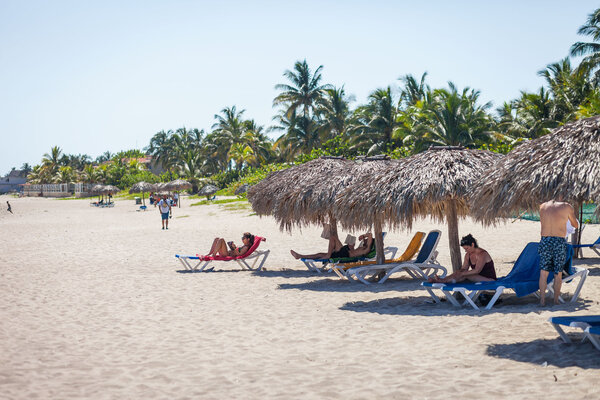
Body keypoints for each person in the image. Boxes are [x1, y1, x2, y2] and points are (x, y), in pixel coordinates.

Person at [538, 199, 579, 306]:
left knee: (543, 273)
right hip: (559, 241)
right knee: (558, 273)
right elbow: (575, 225)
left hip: (545, 240)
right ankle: (556, 301)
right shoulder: (567, 206)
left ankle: (542, 301)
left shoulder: (542, 206)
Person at [428, 234, 496, 283]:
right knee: (460, 272)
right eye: (464, 249)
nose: (466, 251)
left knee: (465, 275)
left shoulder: (482, 254)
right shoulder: (468, 255)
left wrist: (462, 274)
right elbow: (464, 268)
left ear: (472, 245)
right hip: (478, 277)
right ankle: (442, 280)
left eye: (467, 248)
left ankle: (442, 281)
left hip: (489, 279)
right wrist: (459, 273)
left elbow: (477, 270)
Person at [290, 229, 375, 260]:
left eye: (366, 240)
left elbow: (370, 235)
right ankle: (300, 255)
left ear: (369, 243)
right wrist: (352, 246)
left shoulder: (366, 249)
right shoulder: (363, 248)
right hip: (345, 251)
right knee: (319, 254)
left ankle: (328, 255)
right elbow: (368, 238)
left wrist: (364, 236)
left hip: (344, 254)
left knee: (332, 238)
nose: (365, 240)